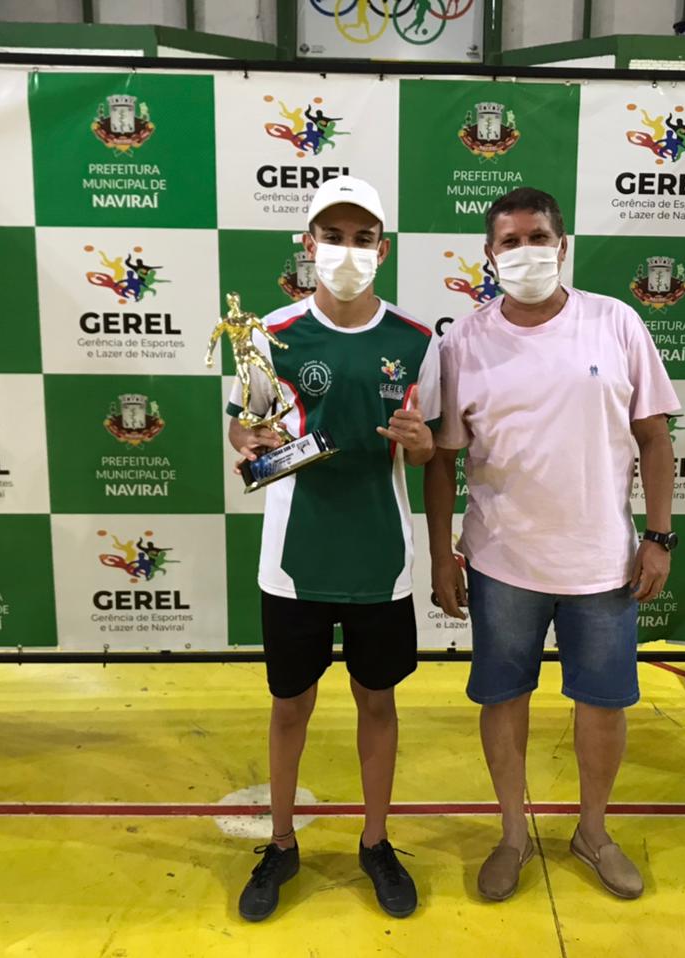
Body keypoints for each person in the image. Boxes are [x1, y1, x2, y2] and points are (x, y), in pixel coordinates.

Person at [426, 187, 680, 903]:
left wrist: (659, 536)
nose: (525, 251)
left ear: (561, 246)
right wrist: (442, 554)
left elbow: (655, 438)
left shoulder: (616, 322)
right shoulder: (461, 342)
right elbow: (442, 461)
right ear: (489, 256)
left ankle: (593, 832)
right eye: (509, 242)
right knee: (504, 699)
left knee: (603, 705)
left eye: (537, 237)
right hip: (502, 563)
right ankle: (512, 834)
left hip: (602, 563)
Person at [227, 176, 440, 922]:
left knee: (377, 701)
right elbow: (246, 423)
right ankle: (282, 843)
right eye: (333, 236)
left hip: (380, 561)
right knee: (290, 705)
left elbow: (432, 447)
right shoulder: (269, 332)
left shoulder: (417, 340)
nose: (347, 251)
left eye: (362, 238)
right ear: (308, 243)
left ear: (383, 249)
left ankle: (375, 842)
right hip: (294, 562)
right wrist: (246, 439)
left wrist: (422, 445)